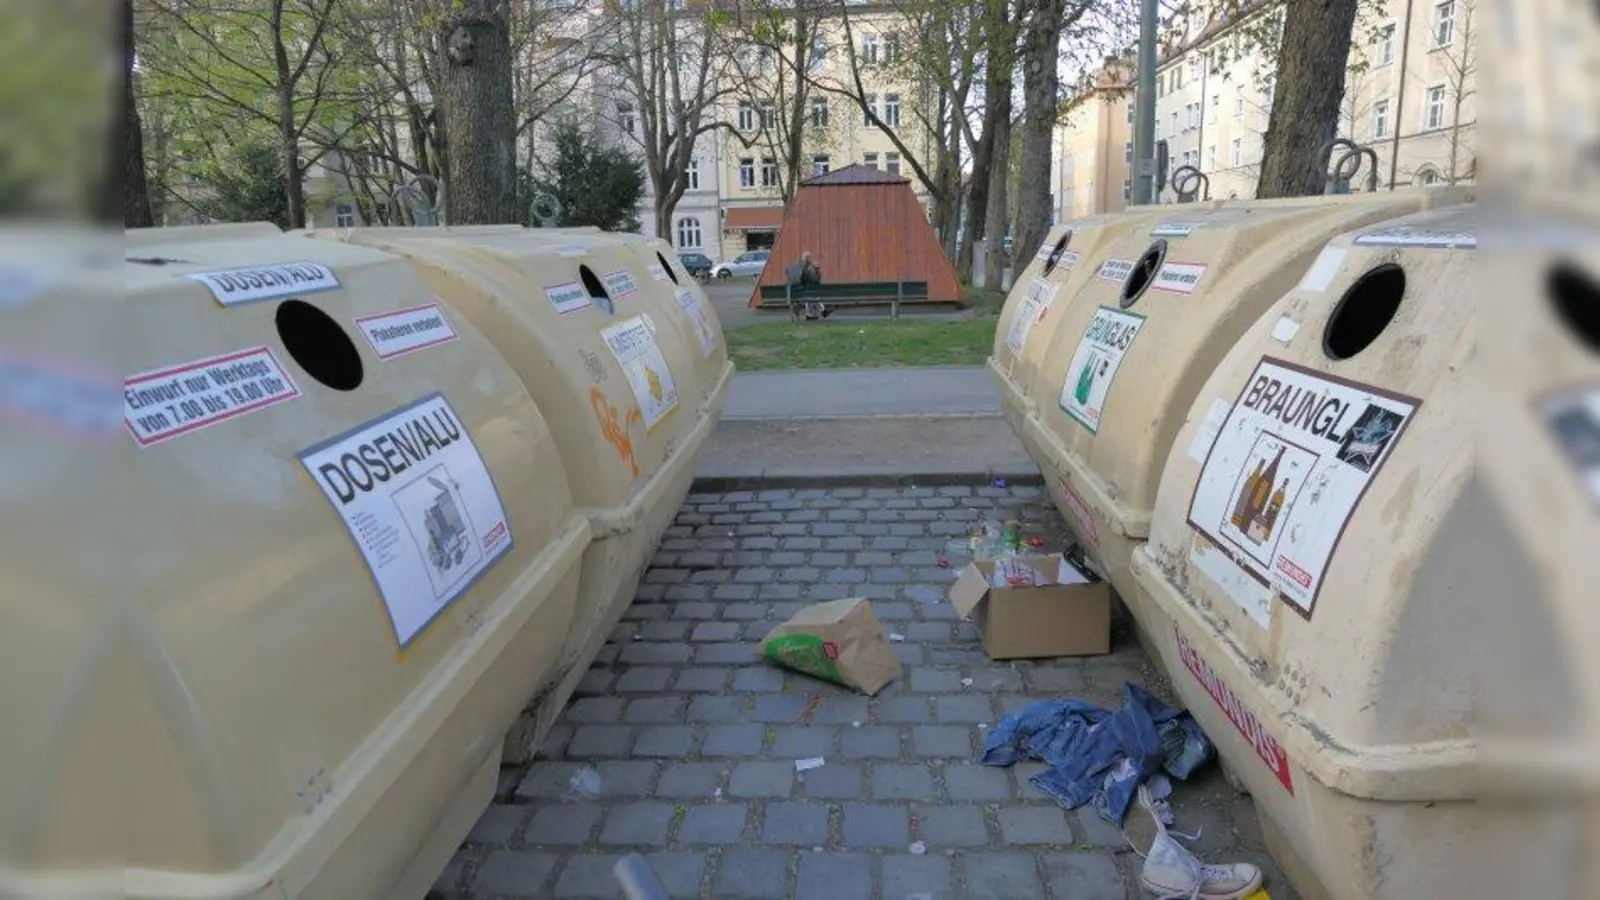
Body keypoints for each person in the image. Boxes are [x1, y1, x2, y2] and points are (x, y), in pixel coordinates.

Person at [786, 250, 833, 320]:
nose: (811, 260)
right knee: (812, 294)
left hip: (792, 292)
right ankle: (817, 312)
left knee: (810, 294)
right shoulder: (806, 270)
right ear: (807, 259)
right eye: (810, 258)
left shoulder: (795, 266)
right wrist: (817, 271)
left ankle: (814, 313)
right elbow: (815, 280)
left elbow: (787, 272)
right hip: (802, 292)